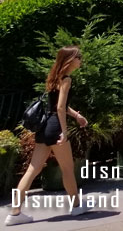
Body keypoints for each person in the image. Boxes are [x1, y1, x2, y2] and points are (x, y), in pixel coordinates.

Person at [6, 46, 90, 225]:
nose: (80, 60)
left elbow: (59, 106)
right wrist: (64, 131)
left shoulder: (54, 78)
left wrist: (77, 115)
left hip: (44, 128)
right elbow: (59, 108)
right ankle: (76, 206)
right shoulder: (66, 79)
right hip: (55, 128)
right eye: (78, 57)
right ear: (69, 60)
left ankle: (14, 213)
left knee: (32, 170)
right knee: (67, 169)